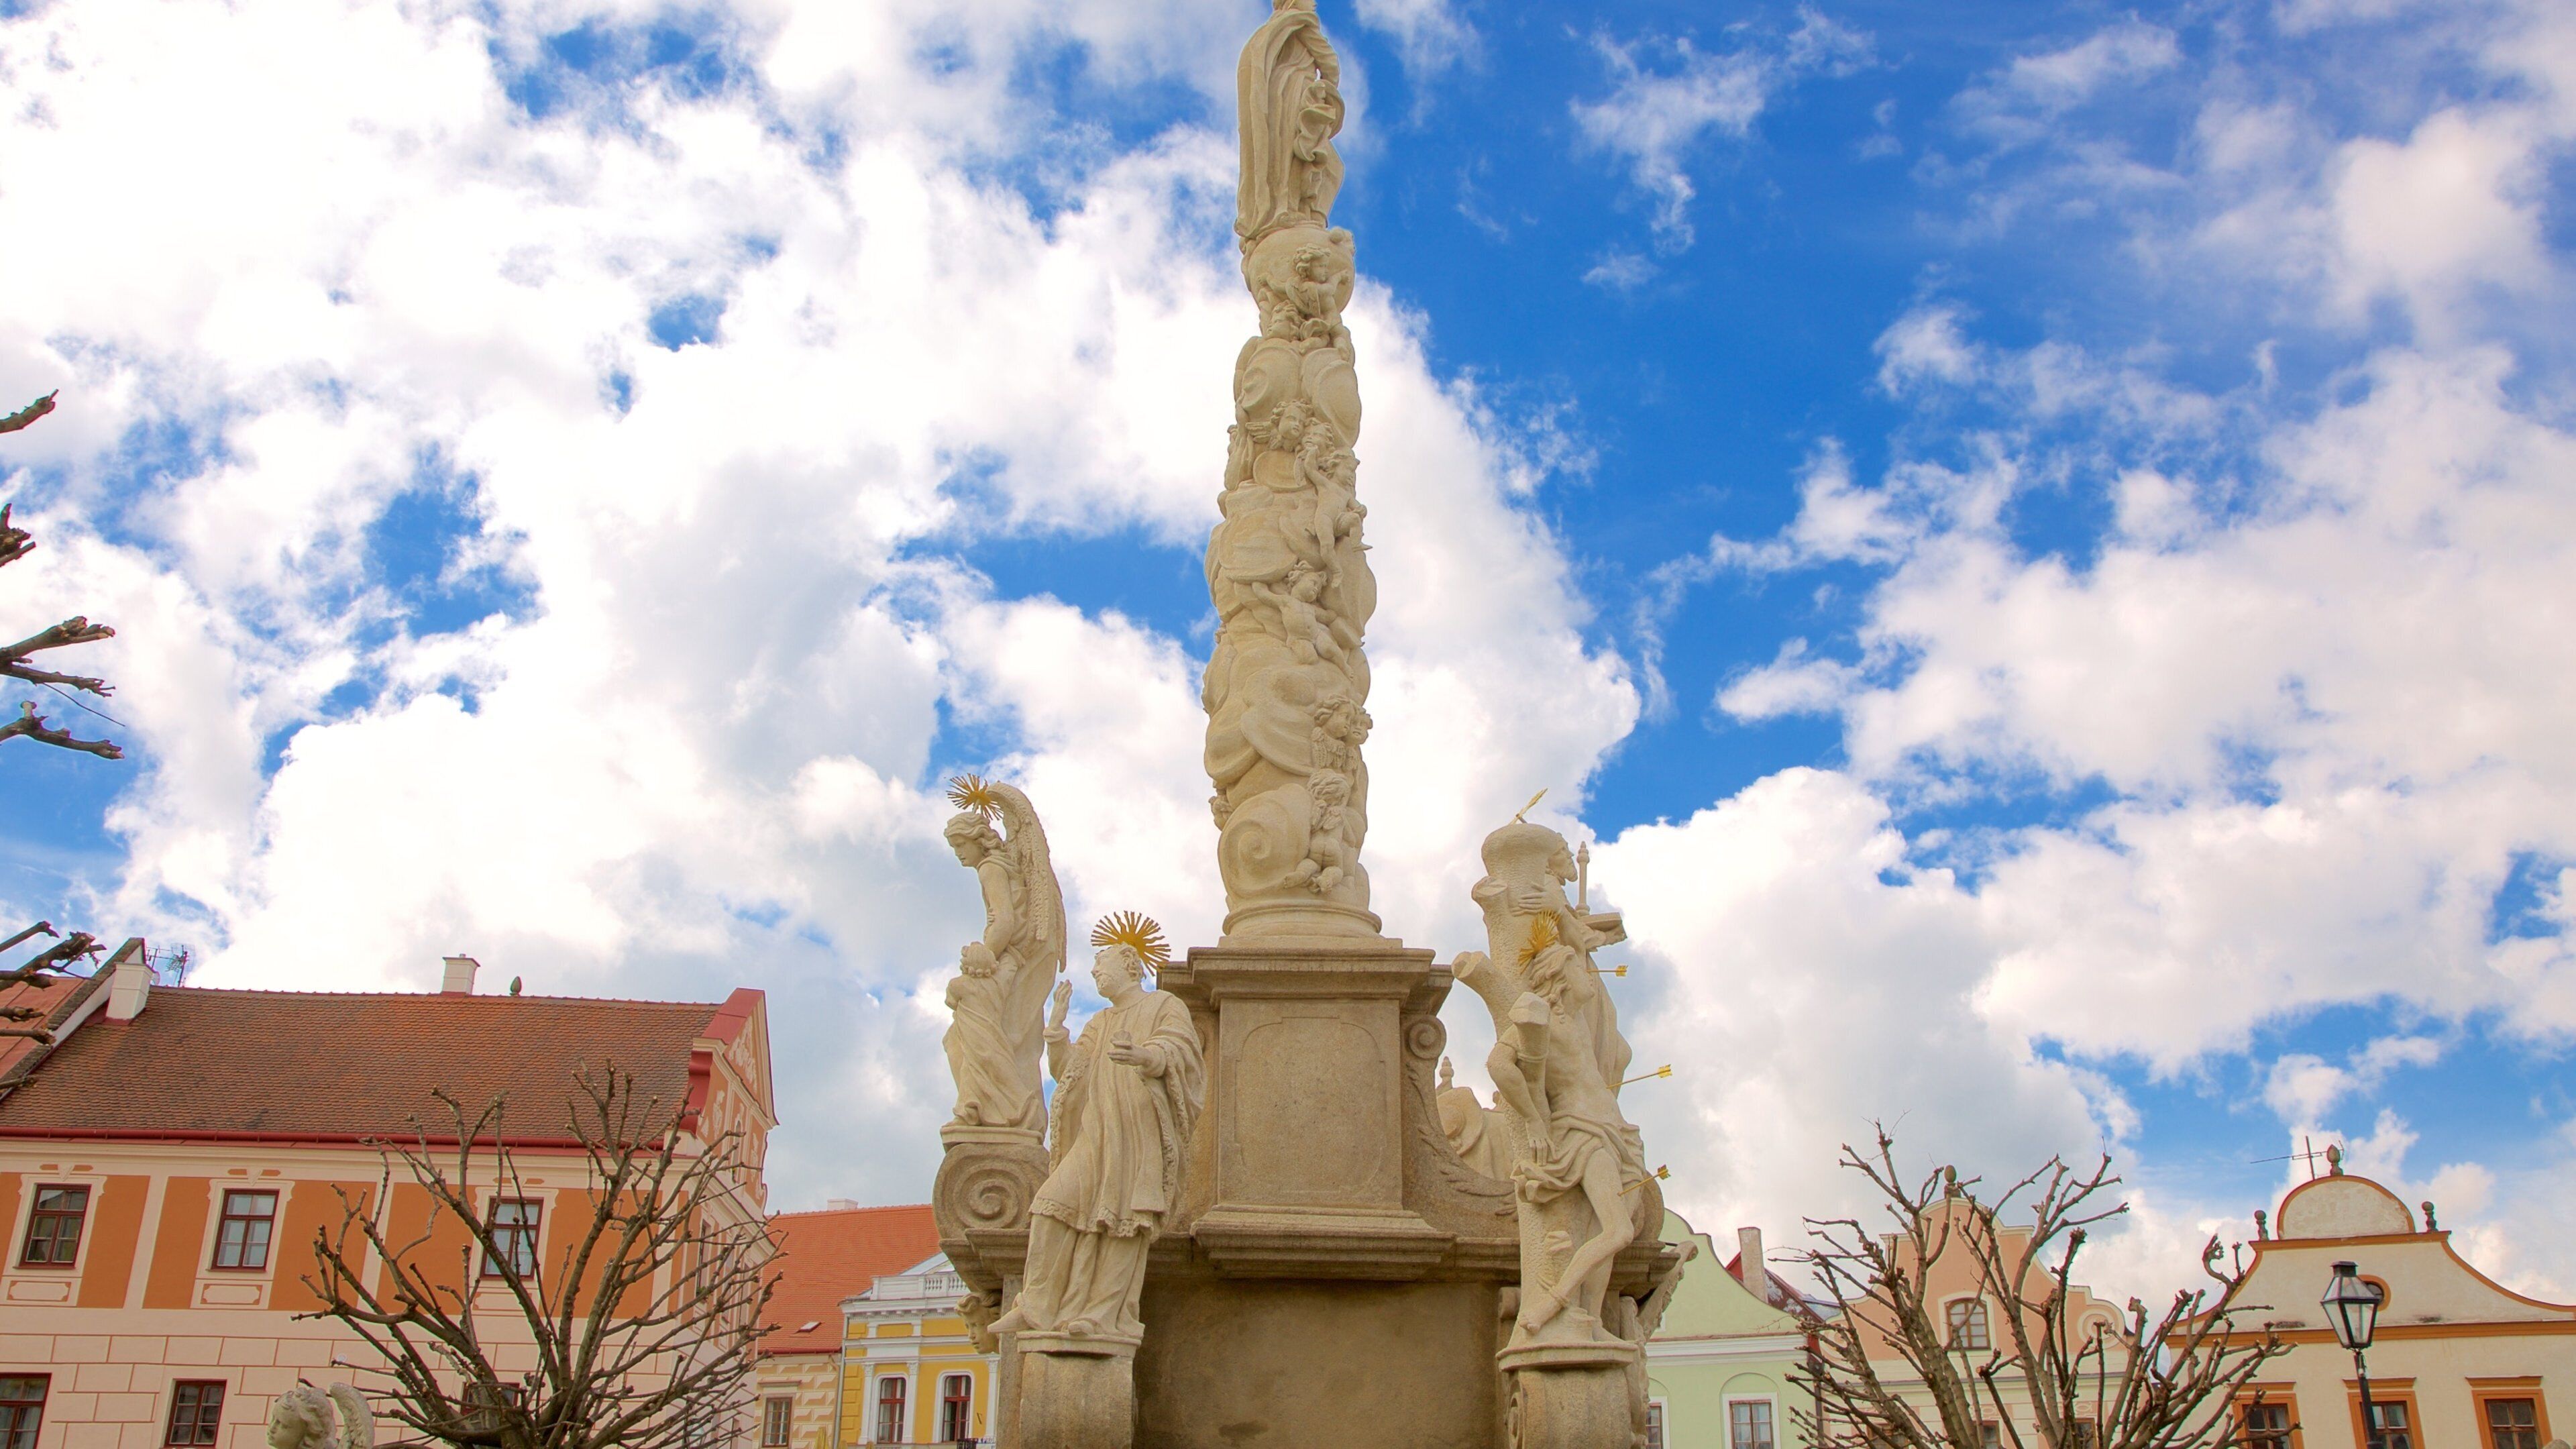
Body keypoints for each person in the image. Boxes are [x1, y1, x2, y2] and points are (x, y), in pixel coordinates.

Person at [989, 935, 1204, 1343]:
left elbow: (1181, 1052)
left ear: (1129, 964)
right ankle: (1036, 1303)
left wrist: (1146, 1056)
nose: (1094, 972)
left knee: (1126, 1220)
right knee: (1051, 1206)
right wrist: (1056, 1030)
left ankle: (1102, 1313)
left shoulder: (1163, 1006)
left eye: (1101, 964)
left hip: (1138, 1130)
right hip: (1096, 1130)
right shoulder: (1100, 1022)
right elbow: (1070, 1073)